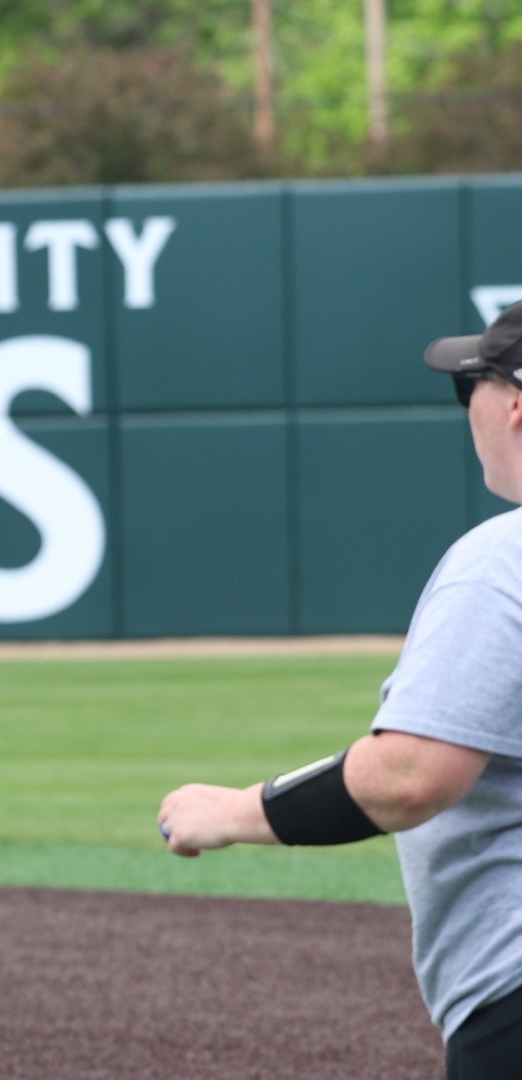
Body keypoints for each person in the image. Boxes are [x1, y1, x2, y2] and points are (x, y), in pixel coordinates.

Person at [157, 301, 522, 1080]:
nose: (469, 408)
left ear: (516, 405)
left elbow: (411, 776)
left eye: (471, 386)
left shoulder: (501, 561)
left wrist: (234, 811)